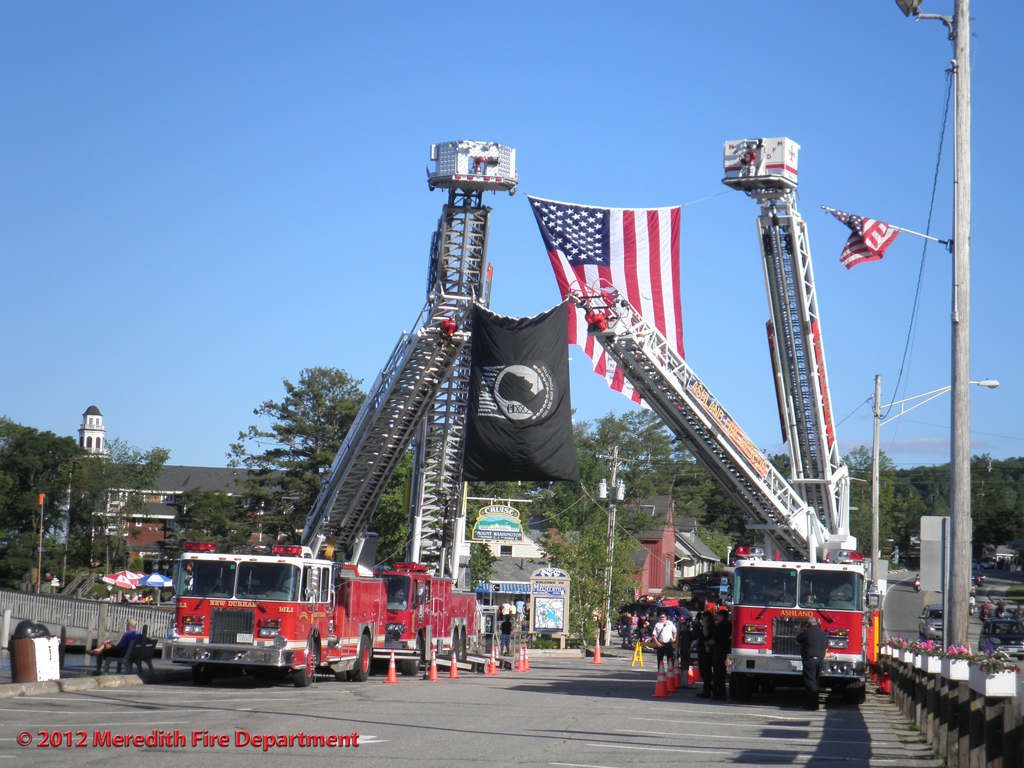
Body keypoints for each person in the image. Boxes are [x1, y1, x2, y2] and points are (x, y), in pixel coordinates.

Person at [796, 616, 829, 710]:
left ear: (807, 624)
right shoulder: (823, 633)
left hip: (809, 660)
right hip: (820, 660)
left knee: (810, 682)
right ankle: (813, 702)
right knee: (815, 681)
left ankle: (813, 705)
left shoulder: (806, 632)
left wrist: (803, 631)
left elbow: (796, 641)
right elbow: (826, 648)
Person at [707, 608, 731, 700]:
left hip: (719, 652)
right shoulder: (730, 626)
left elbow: (713, 640)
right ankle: (723, 693)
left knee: (717, 673)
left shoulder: (719, 626)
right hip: (727, 652)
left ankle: (717, 694)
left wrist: (707, 643)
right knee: (724, 674)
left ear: (720, 616)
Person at [695, 611, 714, 698]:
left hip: (707, 652)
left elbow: (706, 634)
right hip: (701, 651)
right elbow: (700, 638)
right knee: (702, 672)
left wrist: (705, 623)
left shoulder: (710, 626)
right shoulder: (703, 626)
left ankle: (707, 691)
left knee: (706, 672)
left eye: (703, 618)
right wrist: (692, 647)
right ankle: (705, 690)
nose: (702, 620)